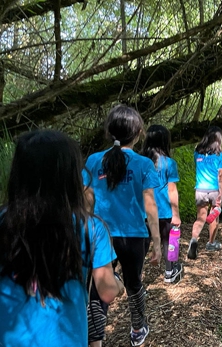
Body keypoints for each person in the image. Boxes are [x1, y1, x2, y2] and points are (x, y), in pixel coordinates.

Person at [0, 130, 123, 347]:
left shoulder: (3, 222)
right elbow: (106, 291)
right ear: (70, 176)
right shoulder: (91, 229)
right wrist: (119, 285)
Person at [83, 105, 161, 347]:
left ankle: (95, 340)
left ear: (109, 131)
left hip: (100, 237)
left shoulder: (94, 161)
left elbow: (86, 199)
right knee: (134, 283)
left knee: (97, 291)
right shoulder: (144, 164)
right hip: (134, 237)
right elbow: (150, 205)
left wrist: (84, 234)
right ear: (138, 133)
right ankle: (138, 328)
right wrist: (158, 241)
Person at [142, 124, 183, 283]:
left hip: (143, 211)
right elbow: (172, 190)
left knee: (143, 245)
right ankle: (169, 272)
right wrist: (176, 214)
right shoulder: (169, 163)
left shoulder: (140, 162)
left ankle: (137, 278)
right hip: (164, 210)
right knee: (167, 240)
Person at [188, 126, 222, 258]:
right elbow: (220, 175)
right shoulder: (220, 155)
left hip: (200, 189)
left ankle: (193, 240)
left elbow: (197, 166)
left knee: (200, 218)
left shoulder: (197, 153)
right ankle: (211, 243)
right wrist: (221, 193)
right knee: (214, 217)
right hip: (214, 189)